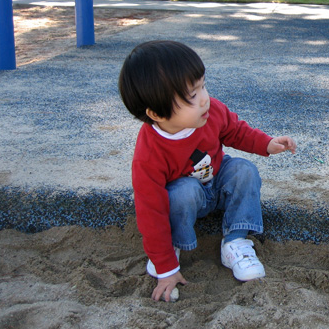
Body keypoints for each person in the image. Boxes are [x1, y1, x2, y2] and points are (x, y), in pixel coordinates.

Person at [118, 40, 297, 302]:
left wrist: (267, 144)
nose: (204, 99)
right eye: (192, 95)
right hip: (187, 197)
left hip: (217, 180)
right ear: (156, 113)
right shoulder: (149, 153)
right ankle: (175, 248)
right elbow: (150, 209)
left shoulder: (211, 111)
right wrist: (165, 267)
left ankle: (235, 242)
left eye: (203, 86)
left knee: (244, 170)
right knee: (183, 191)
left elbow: (235, 131)